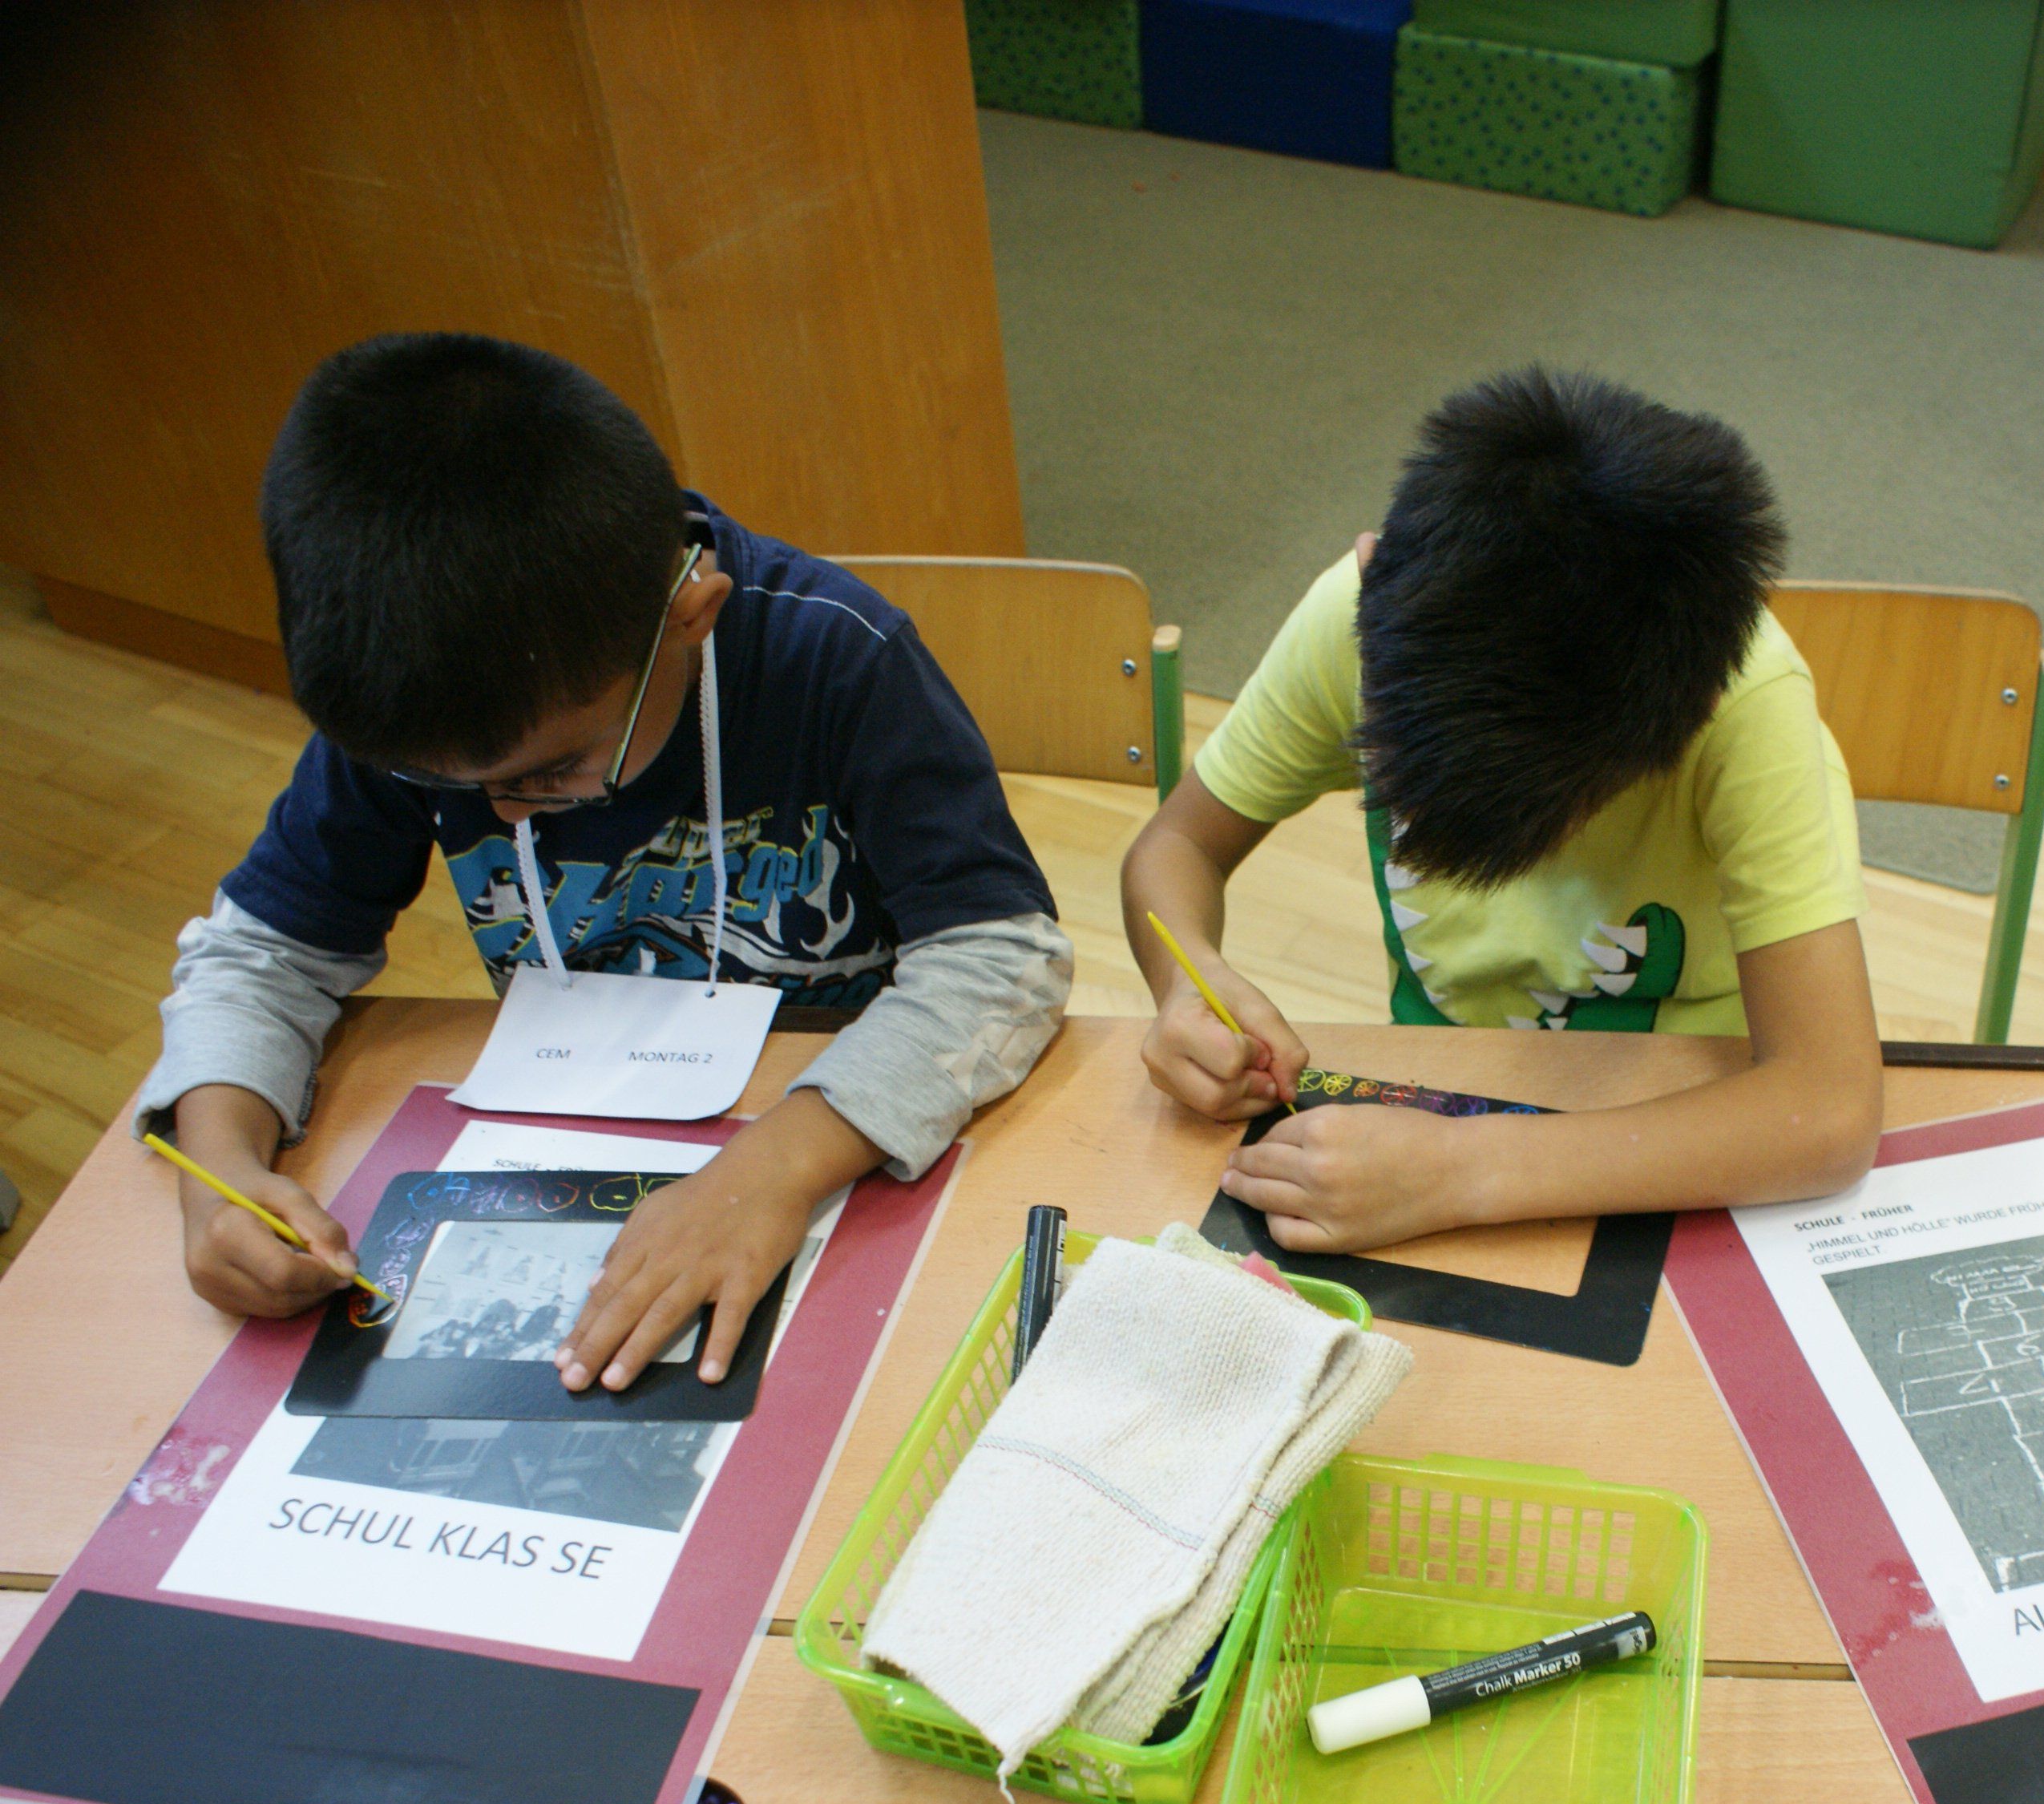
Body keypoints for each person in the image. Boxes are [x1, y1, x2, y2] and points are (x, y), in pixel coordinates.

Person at [145, 333, 1070, 1389]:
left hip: (840, 1130)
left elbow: (1001, 958)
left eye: (552, 770)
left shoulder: (835, 655)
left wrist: (775, 1167)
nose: (502, 809)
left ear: (690, 618)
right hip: (582, 1134)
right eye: (452, 786)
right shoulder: (427, 705)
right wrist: (217, 1166)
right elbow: (261, 956)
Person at [1121, 368, 1882, 1252]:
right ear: (1369, 568)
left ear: (1695, 710)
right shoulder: (1363, 617)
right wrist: (1188, 980)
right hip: (1441, 1089)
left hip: (1690, 1126)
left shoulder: (1747, 703)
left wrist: (1460, 1170)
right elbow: (1178, 845)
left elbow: (1829, 1110)